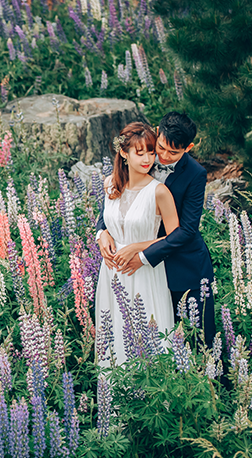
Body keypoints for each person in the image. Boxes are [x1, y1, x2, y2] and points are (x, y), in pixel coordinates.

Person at [96, 111, 216, 347]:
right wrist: (102, 232)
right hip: (134, 269)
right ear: (158, 133)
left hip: (183, 265)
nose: (163, 156)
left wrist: (142, 255)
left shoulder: (195, 174)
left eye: (174, 152)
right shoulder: (144, 154)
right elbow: (116, 201)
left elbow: (187, 230)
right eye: (161, 148)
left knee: (197, 339)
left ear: (188, 147)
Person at [96, 121, 179, 366]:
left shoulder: (159, 191)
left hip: (143, 271)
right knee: (114, 338)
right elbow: (106, 222)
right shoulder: (110, 183)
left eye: (151, 152)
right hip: (111, 273)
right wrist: (102, 235)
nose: (147, 159)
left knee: (147, 338)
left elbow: (175, 237)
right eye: (139, 152)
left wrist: (137, 247)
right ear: (124, 153)